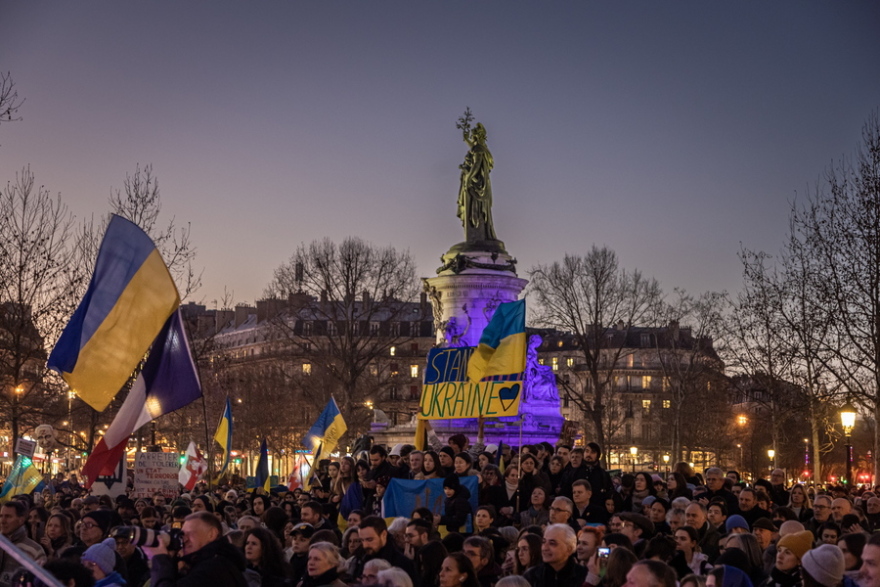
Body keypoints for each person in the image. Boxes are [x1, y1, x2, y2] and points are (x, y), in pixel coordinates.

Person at [144, 511, 248, 587]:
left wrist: (160, 560)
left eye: (190, 533)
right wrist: (172, 560)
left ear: (211, 534)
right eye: (182, 535)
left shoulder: (213, 568)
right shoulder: (211, 561)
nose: (184, 539)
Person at [352, 516, 417, 586]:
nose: (365, 545)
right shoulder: (361, 559)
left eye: (370, 540)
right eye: (362, 540)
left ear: (383, 534)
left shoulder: (403, 563)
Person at [1, 500, 47, 585]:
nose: (3, 521)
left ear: (21, 520)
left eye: (8, 517)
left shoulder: (34, 550)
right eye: (1, 516)